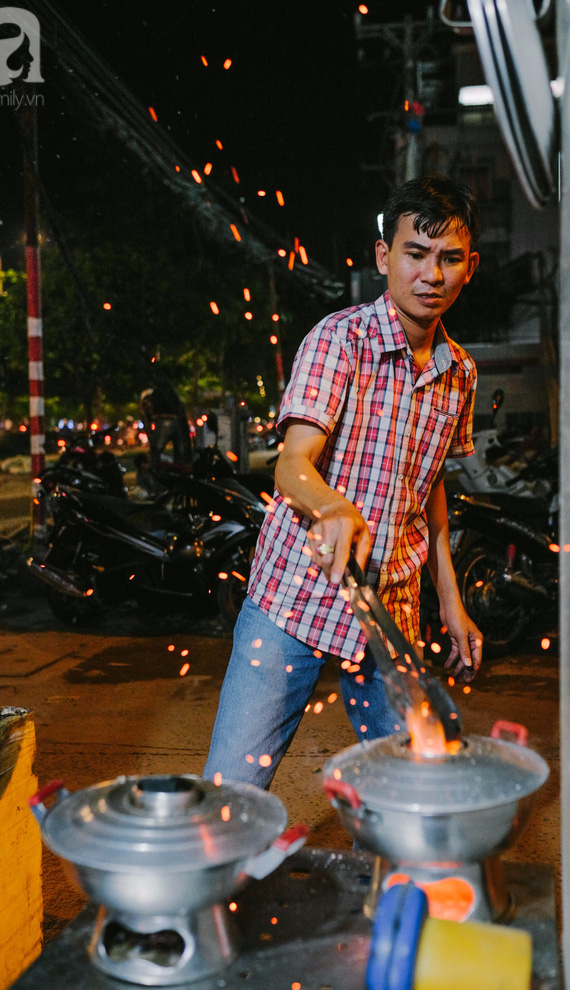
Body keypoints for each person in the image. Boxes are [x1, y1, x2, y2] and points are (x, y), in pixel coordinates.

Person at [203, 174, 483, 788]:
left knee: (405, 792)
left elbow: (429, 488)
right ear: (385, 256)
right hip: (294, 597)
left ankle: (391, 887)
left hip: (391, 609)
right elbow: (291, 462)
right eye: (415, 254)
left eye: (449, 259)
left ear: (470, 267)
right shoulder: (339, 339)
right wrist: (332, 506)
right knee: (230, 791)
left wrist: (451, 600)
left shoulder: (460, 372)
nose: (431, 275)